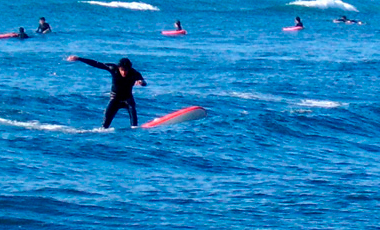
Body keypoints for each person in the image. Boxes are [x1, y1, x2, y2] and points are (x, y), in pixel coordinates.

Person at [66, 56, 147, 128]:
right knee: (105, 125)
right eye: (122, 70)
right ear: (119, 68)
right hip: (115, 98)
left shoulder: (134, 73)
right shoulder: (113, 68)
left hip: (128, 98)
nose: (124, 72)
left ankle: (134, 131)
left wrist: (140, 82)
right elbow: (96, 64)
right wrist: (79, 58)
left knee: (134, 119)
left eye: (126, 70)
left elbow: (143, 82)